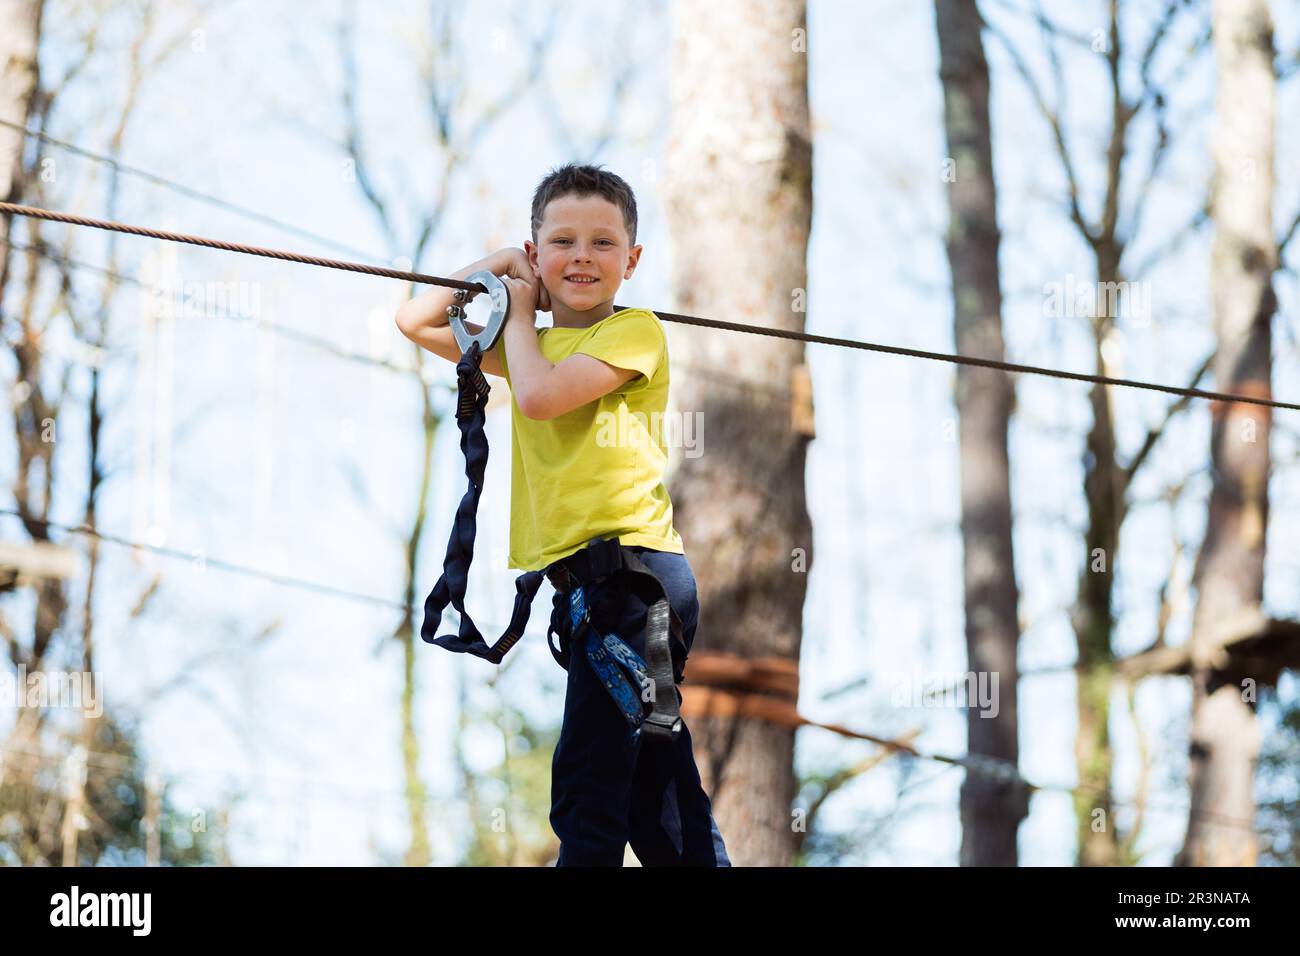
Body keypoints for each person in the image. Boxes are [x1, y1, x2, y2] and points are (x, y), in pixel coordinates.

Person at [395, 163, 730, 867]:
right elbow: (414, 320)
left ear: (631, 261)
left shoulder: (634, 334)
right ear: (539, 253)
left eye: (603, 244)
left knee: (588, 788)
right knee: (654, 799)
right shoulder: (531, 347)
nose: (582, 256)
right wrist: (500, 266)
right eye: (562, 242)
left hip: (635, 589)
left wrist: (517, 314)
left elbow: (542, 397)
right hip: (590, 595)